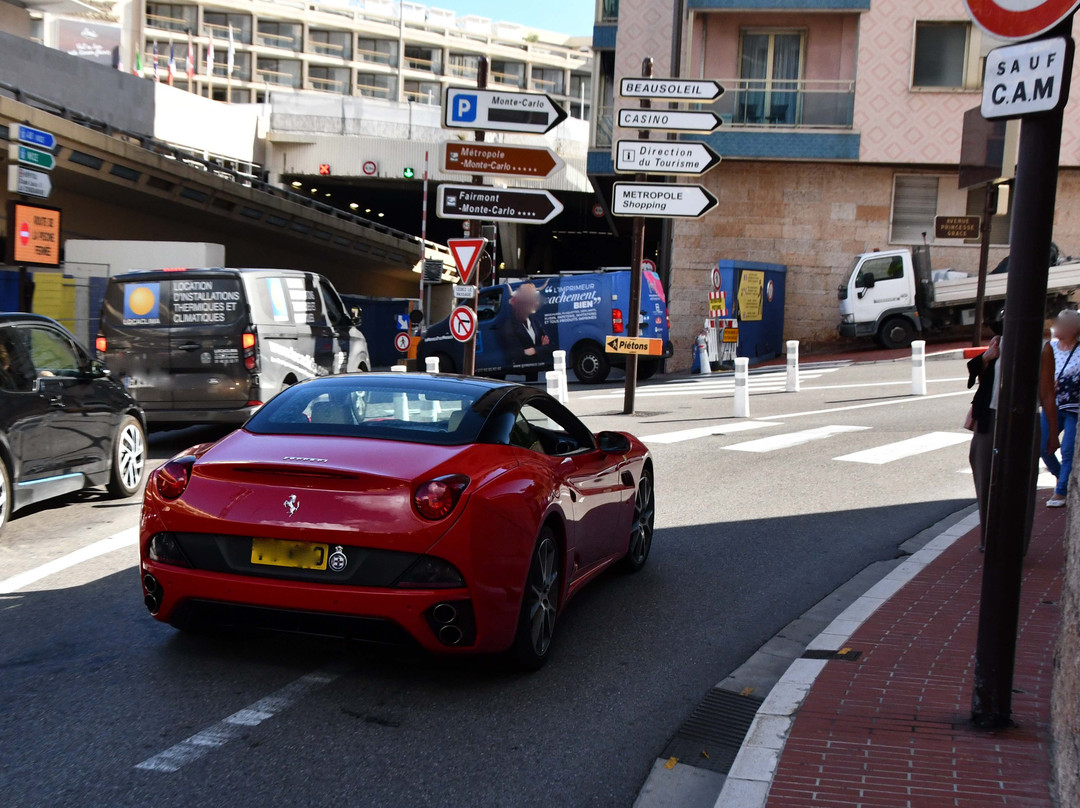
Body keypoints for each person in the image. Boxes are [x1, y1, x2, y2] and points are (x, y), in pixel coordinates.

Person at [967, 329, 1000, 550]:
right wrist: (987, 357)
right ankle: (988, 537)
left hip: (1015, 417)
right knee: (982, 473)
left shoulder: (1040, 347)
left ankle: (1007, 538)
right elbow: (975, 372)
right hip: (987, 417)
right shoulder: (997, 344)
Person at [1046, 309, 1080, 507]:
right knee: (1043, 447)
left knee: (1067, 450)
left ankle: (1061, 491)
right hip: (1052, 404)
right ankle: (1063, 478)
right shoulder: (1049, 347)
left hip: (1074, 408)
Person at [500, 283, 550, 369]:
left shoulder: (535, 322)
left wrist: (533, 350)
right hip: (518, 369)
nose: (536, 302)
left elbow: (550, 346)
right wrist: (540, 348)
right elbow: (515, 354)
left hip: (534, 368)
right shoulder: (510, 324)